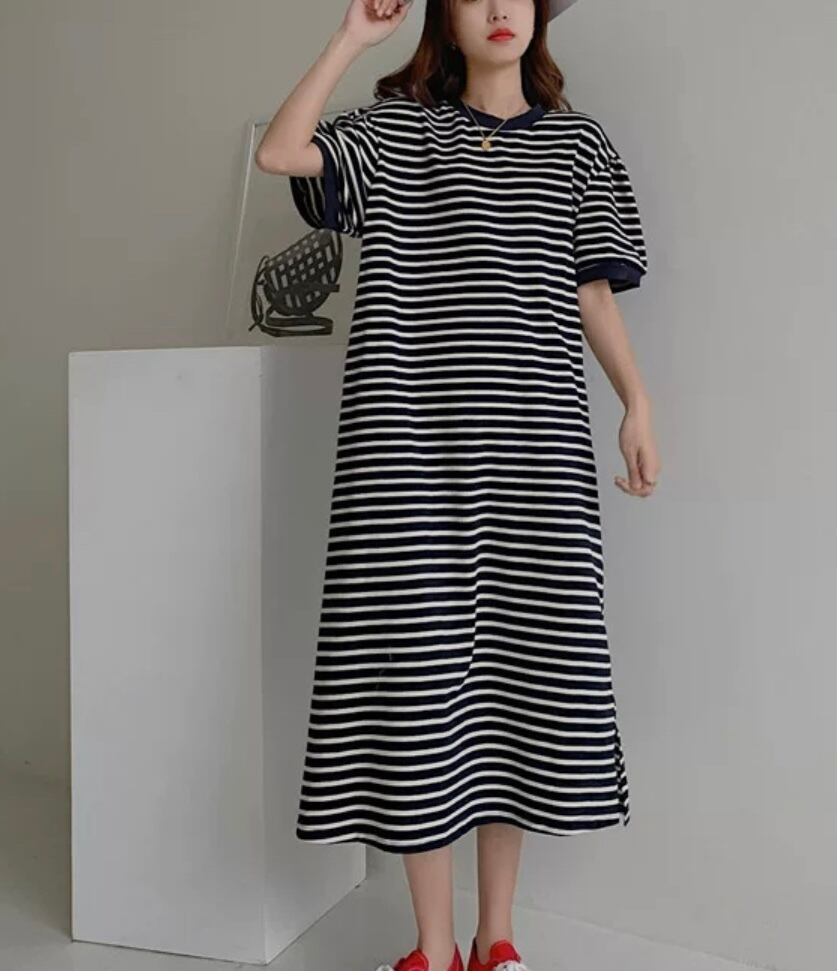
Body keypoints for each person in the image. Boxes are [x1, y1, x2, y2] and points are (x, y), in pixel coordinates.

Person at [255, 1, 660, 969]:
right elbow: (280, 154)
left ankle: (495, 937)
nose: (498, 8)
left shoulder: (576, 145)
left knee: (522, 684)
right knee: (418, 690)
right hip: (405, 459)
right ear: (444, 15)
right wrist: (355, 37)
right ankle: (430, 947)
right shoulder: (394, 133)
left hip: (535, 458)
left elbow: (590, 291)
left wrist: (636, 400)